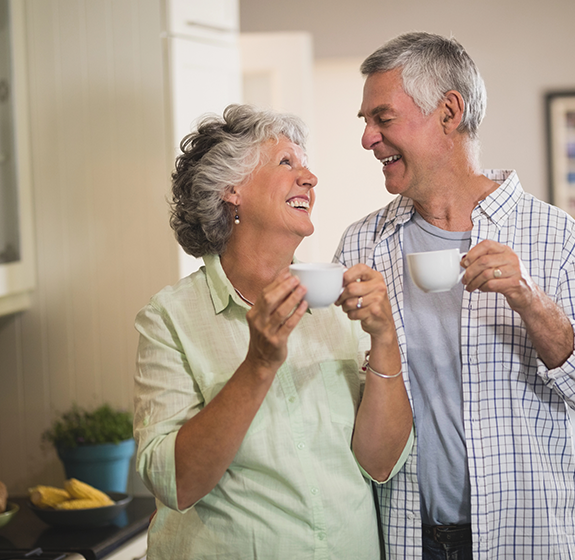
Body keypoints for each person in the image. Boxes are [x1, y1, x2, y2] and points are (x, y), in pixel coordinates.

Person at [336, 32, 575, 559]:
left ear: (449, 112)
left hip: (525, 541)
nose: (367, 139)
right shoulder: (361, 245)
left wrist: (529, 299)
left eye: (382, 118)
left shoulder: (557, 238)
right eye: (366, 122)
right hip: (405, 541)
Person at [133, 104, 413, 559]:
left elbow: (380, 465)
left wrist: (385, 341)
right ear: (231, 191)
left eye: (304, 165)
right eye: (287, 163)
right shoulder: (169, 319)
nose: (310, 179)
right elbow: (176, 483)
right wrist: (258, 364)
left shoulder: (339, 302)